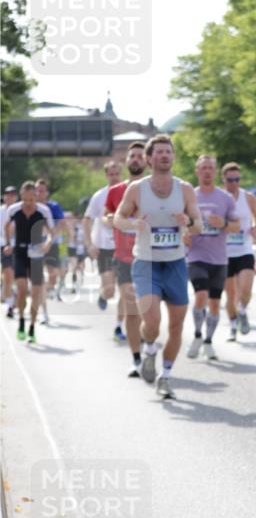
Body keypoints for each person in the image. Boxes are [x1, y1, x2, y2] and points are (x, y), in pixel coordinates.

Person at [113, 134, 202, 399]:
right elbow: (118, 217)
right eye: (160, 152)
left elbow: (199, 225)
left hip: (175, 263)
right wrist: (133, 224)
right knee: (151, 322)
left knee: (176, 327)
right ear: (149, 159)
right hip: (147, 263)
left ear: (173, 157)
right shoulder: (137, 189)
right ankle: (149, 349)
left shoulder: (184, 189)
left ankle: (166, 375)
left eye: (169, 152)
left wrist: (188, 223)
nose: (165, 156)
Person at [186, 155, 239, 361]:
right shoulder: (190, 196)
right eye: (203, 168)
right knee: (201, 297)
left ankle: (208, 341)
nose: (207, 171)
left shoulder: (225, 198)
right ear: (197, 171)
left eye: (210, 168)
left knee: (215, 305)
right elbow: (181, 222)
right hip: (196, 255)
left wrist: (224, 224)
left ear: (215, 172)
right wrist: (186, 230)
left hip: (219, 259)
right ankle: (197, 335)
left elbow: (237, 226)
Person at [105, 141, 147, 377]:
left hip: (151, 257)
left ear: (147, 160)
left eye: (140, 156)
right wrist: (111, 219)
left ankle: (147, 344)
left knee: (147, 313)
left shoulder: (155, 188)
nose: (136, 159)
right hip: (124, 257)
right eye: (132, 156)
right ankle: (137, 359)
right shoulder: (115, 191)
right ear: (126, 160)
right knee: (132, 309)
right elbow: (105, 216)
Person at [2, 182, 53, 344]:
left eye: (31, 200)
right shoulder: (14, 210)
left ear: (36, 197)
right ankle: (22, 321)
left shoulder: (43, 211)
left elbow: (52, 232)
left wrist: (47, 244)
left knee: (36, 292)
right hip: (20, 251)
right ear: (22, 197)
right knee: (22, 289)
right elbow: (6, 226)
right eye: (25, 199)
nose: (28, 203)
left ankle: (32, 326)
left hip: (37, 253)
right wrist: (9, 243)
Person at [83, 160, 126, 340]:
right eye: (111, 174)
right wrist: (89, 244)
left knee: (125, 289)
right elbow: (87, 220)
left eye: (117, 173)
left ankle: (118, 327)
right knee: (110, 291)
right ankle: (103, 295)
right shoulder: (99, 196)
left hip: (124, 247)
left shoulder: (128, 193)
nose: (114, 177)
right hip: (104, 247)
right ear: (106, 175)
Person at [221, 162, 256, 340]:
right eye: (230, 179)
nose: (234, 183)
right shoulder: (219, 197)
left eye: (237, 179)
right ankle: (233, 325)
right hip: (224, 252)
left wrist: (254, 227)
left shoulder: (248, 196)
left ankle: (243, 310)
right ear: (224, 179)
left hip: (244, 249)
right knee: (230, 294)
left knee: (246, 288)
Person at [35, 178, 66, 314]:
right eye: (37, 190)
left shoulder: (53, 206)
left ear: (47, 193)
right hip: (34, 245)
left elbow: (60, 224)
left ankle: (41, 293)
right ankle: (44, 310)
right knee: (38, 276)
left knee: (52, 277)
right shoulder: (30, 206)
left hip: (52, 244)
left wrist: (50, 239)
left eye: (42, 190)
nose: (39, 193)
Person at [1, 186, 18, 317]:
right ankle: (10, 304)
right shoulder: (0, 211)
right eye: (7, 194)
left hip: (17, 246)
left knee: (14, 277)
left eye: (12, 194)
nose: (9, 196)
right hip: (3, 246)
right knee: (7, 276)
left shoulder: (19, 211)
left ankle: (13, 296)